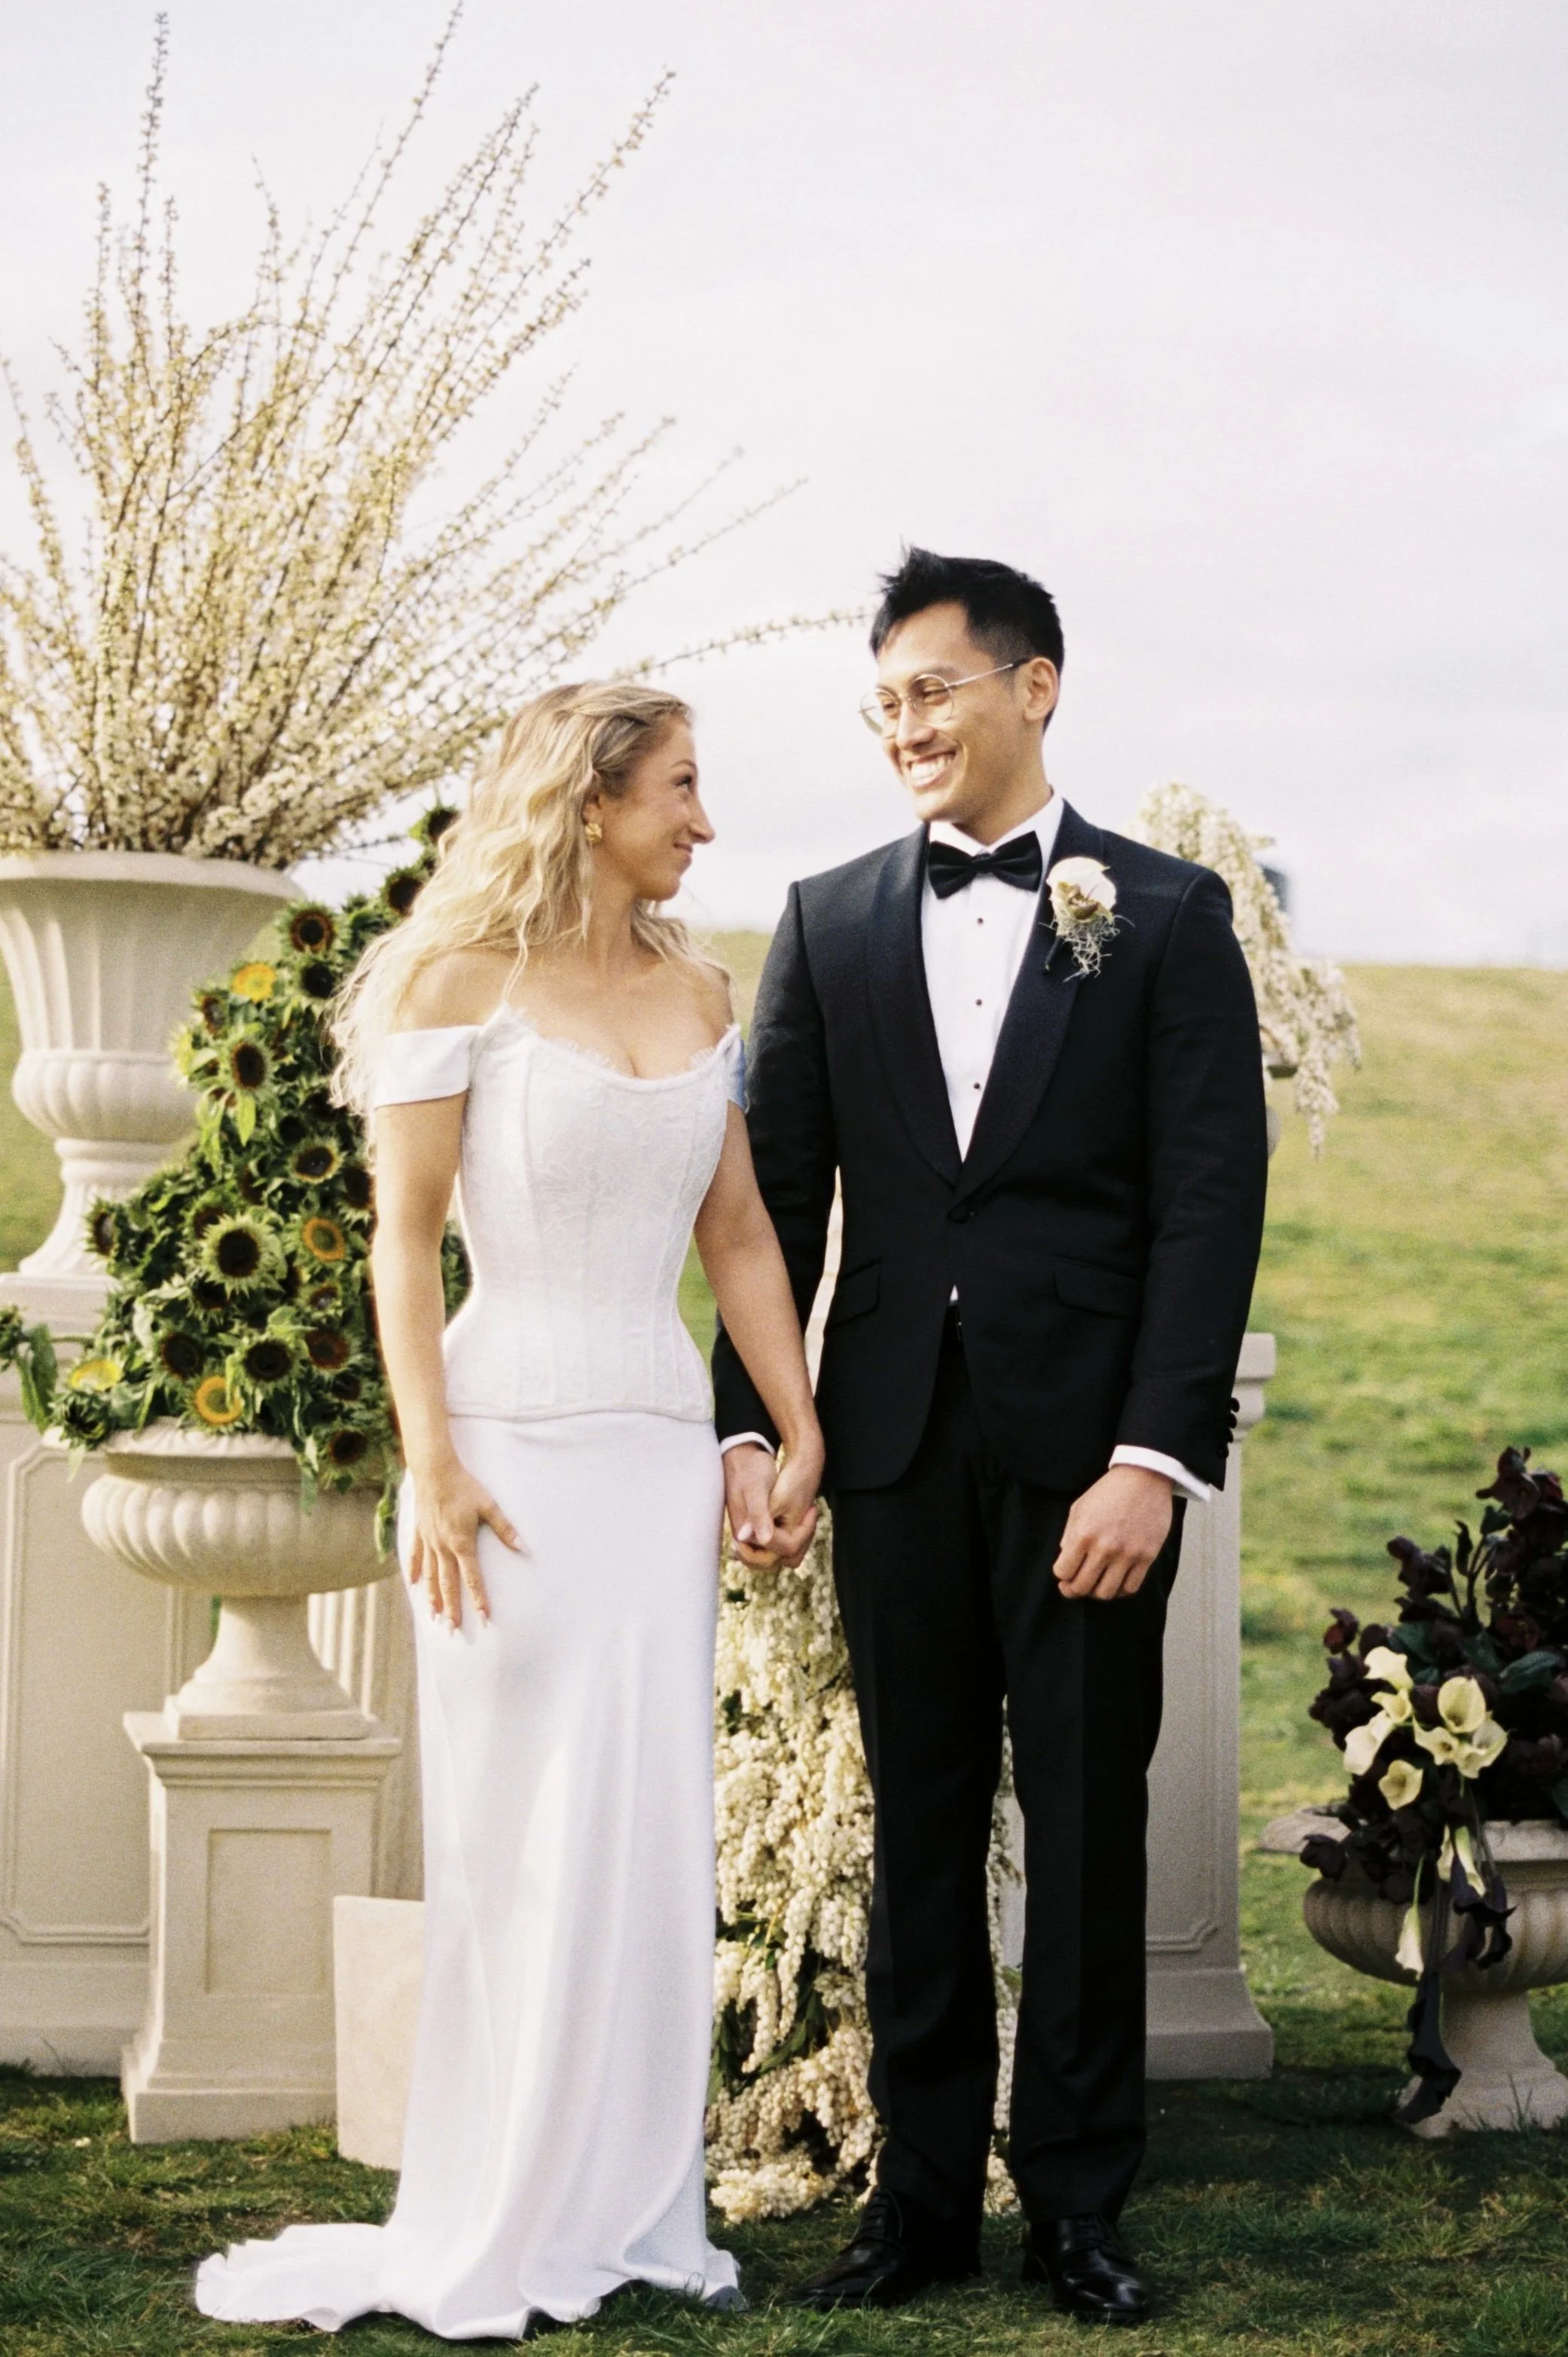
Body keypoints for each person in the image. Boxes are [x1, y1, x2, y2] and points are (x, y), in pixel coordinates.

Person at [194, 681, 823, 2340]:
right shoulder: (450, 980)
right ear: (592, 795)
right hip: (502, 1463)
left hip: (652, 1458)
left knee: (643, 1835)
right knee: (519, 1840)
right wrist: (434, 1463)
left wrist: (793, 1427)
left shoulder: (699, 990)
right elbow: (406, 1239)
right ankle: (493, 2206)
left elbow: (741, 1236)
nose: (704, 819)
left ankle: (628, 2207)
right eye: (682, 787)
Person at [714, 548, 1268, 2328]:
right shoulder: (830, 917)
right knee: (921, 1825)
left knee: (1092, 1827)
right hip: (886, 1446)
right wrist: (756, 1426)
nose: (906, 726)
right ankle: (921, 2205)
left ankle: (1084, 2209)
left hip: (1086, 1452)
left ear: (1036, 686)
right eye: (883, 703)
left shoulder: (1167, 917)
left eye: (934, 689)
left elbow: (1208, 1206)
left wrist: (1152, 1460)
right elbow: (768, 1203)